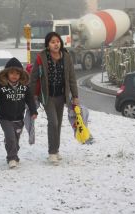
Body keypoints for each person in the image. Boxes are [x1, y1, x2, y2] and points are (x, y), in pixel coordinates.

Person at [30, 32, 79, 165]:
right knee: (53, 122)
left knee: (58, 124)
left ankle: (56, 150)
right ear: (47, 45)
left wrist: (75, 96)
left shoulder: (66, 57)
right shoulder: (41, 57)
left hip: (62, 96)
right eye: (52, 42)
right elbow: (33, 78)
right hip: (47, 96)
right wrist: (32, 96)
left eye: (57, 41)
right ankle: (52, 152)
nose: (56, 44)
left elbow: (72, 78)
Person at [0, 57, 38, 169]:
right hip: (5, 118)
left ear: (21, 75)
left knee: (15, 140)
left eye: (17, 73)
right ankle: (12, 158)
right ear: (6, 74)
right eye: (11, 73)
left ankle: (12, 150)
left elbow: (30, 100)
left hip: (19, 119)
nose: (14, 76)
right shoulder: (1, 86)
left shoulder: (24, 87)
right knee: (11, 138)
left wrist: (34, 111)